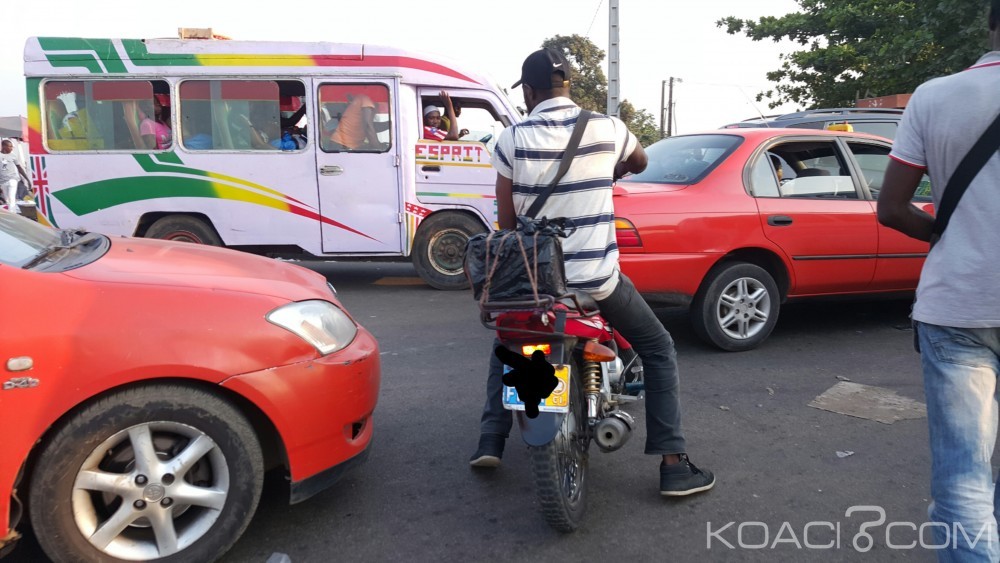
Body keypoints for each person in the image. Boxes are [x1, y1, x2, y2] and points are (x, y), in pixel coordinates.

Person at [469, 47, 716, 497]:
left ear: (529, 92)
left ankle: (490, 440)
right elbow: (640, 162)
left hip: (536, 286)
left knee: (507, 340)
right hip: (598, 283)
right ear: (568, 85)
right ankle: (673, 465)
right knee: (659, 348)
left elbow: (506, 224)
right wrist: (608, 169)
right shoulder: (608, 128)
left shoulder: (511, 138)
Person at [876, 2, 1000, 559]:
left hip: (957, 307)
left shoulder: (934, 96)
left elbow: (891, 207)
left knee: (964, 477)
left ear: (990, 23)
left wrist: (946, 235)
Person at [0, 140, 31, 215]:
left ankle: (12, 214)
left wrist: (27, 180)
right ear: (4, 146)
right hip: (3, 181)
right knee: (7, 200)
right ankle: (13, 213)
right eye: (10, 146)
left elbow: (19, 168)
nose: (11, 148)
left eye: (12, 147)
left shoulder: (13, 155)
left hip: (13, 179)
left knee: (12, 198)